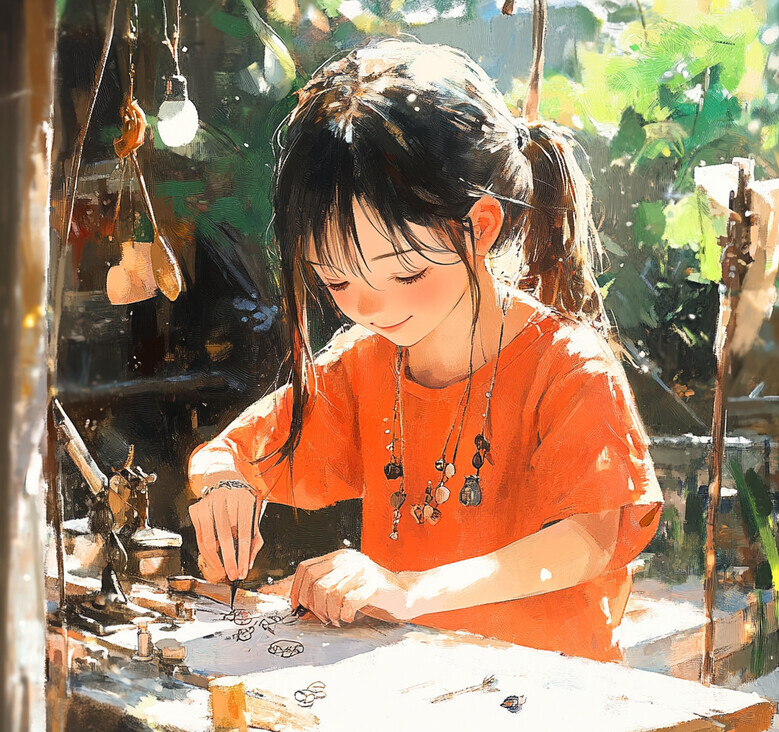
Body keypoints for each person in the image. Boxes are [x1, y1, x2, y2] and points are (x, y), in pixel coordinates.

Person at [187, 38, 663, 663]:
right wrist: (222, 483)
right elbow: (230, 454)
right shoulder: (365, 364)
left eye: (405, 272)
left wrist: (405, 590)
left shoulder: (570, 368)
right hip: (415, 699)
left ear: (481, 226)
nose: (369, 307)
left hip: (551, 715)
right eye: (335, 281)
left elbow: (589, 540)